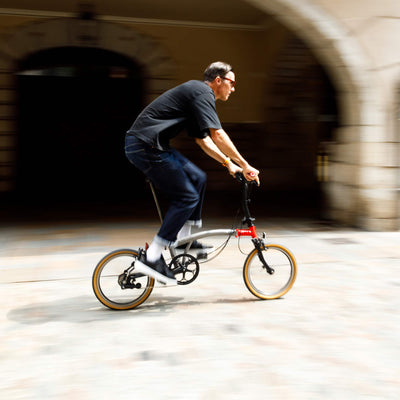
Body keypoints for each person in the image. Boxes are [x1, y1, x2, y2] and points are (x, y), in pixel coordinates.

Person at [125, 61, 260, 285]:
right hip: (144, 146)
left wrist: (228, 163)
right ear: (218, 81)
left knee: (199, 178)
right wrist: (245, 164)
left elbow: (203, 139)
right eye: (232, 83)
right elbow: (217, 135)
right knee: (186, 197)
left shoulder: (198, 96)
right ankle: (153, 256)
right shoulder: (202, 92)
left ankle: (184, 242)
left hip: (154, 146)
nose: (233, 88)